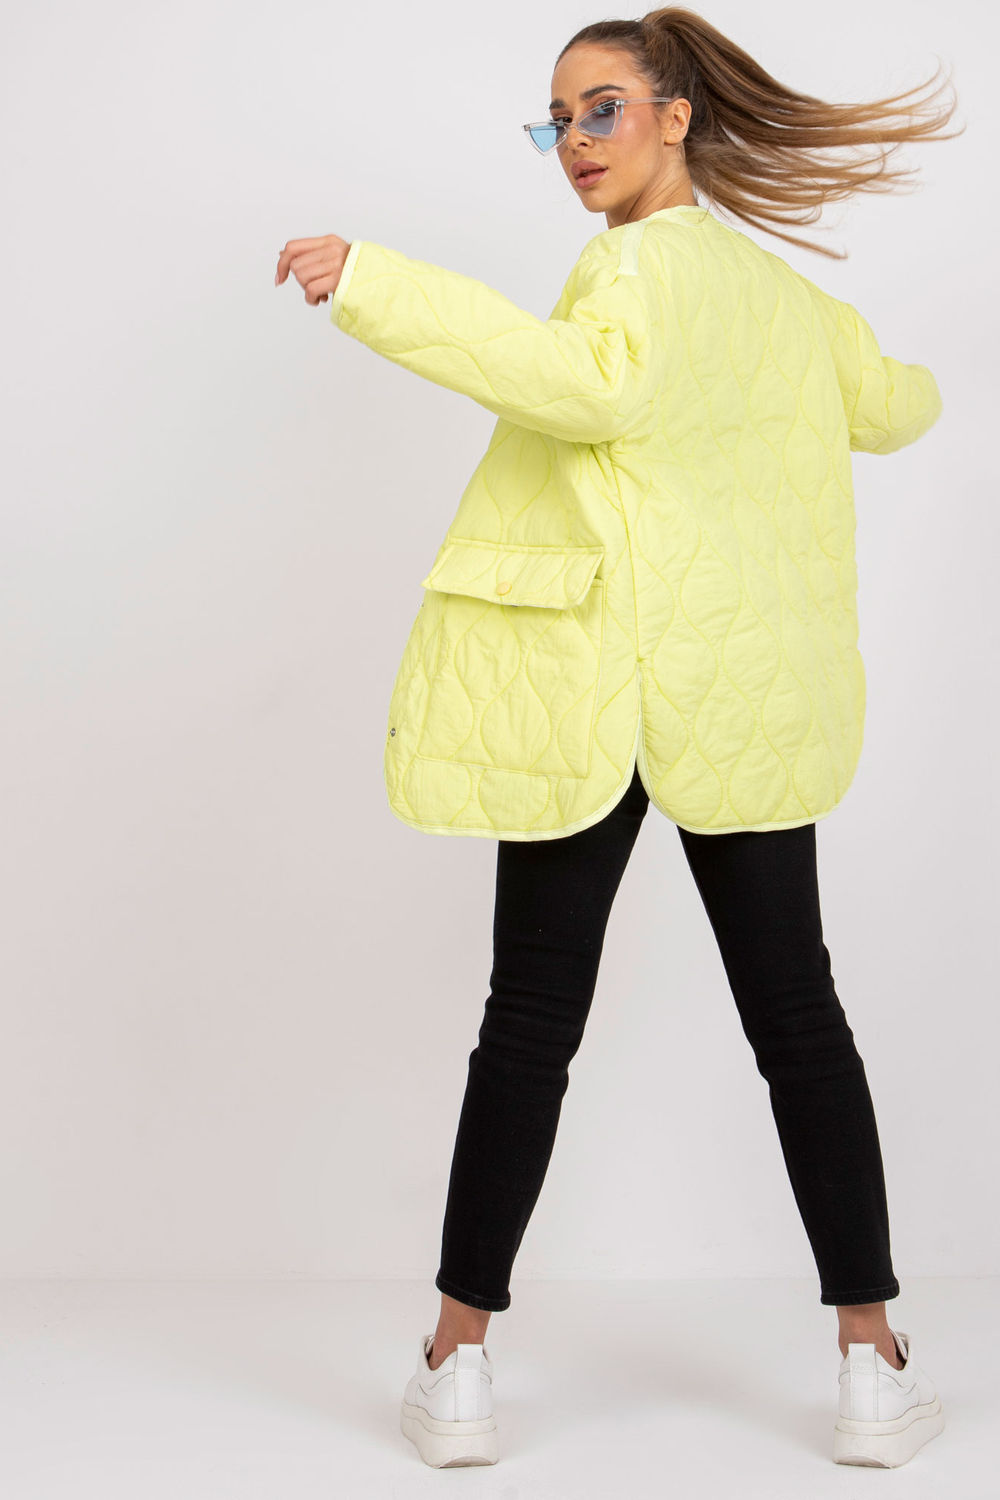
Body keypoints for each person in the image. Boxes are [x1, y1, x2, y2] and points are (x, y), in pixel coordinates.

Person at [275, 5, 961, 1472]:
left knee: (531, 1024)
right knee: (799, 1022)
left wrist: (376, 282)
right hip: (741, 701)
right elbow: (892, 407)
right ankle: (872, 1363)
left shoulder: (628, 272)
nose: (575, 143)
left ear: (675, 117)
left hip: (600, 693)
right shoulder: (781, 300)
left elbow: (582, 384)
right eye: (558, 121)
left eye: (601, 110)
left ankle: (459, 1364)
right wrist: (906, 381)